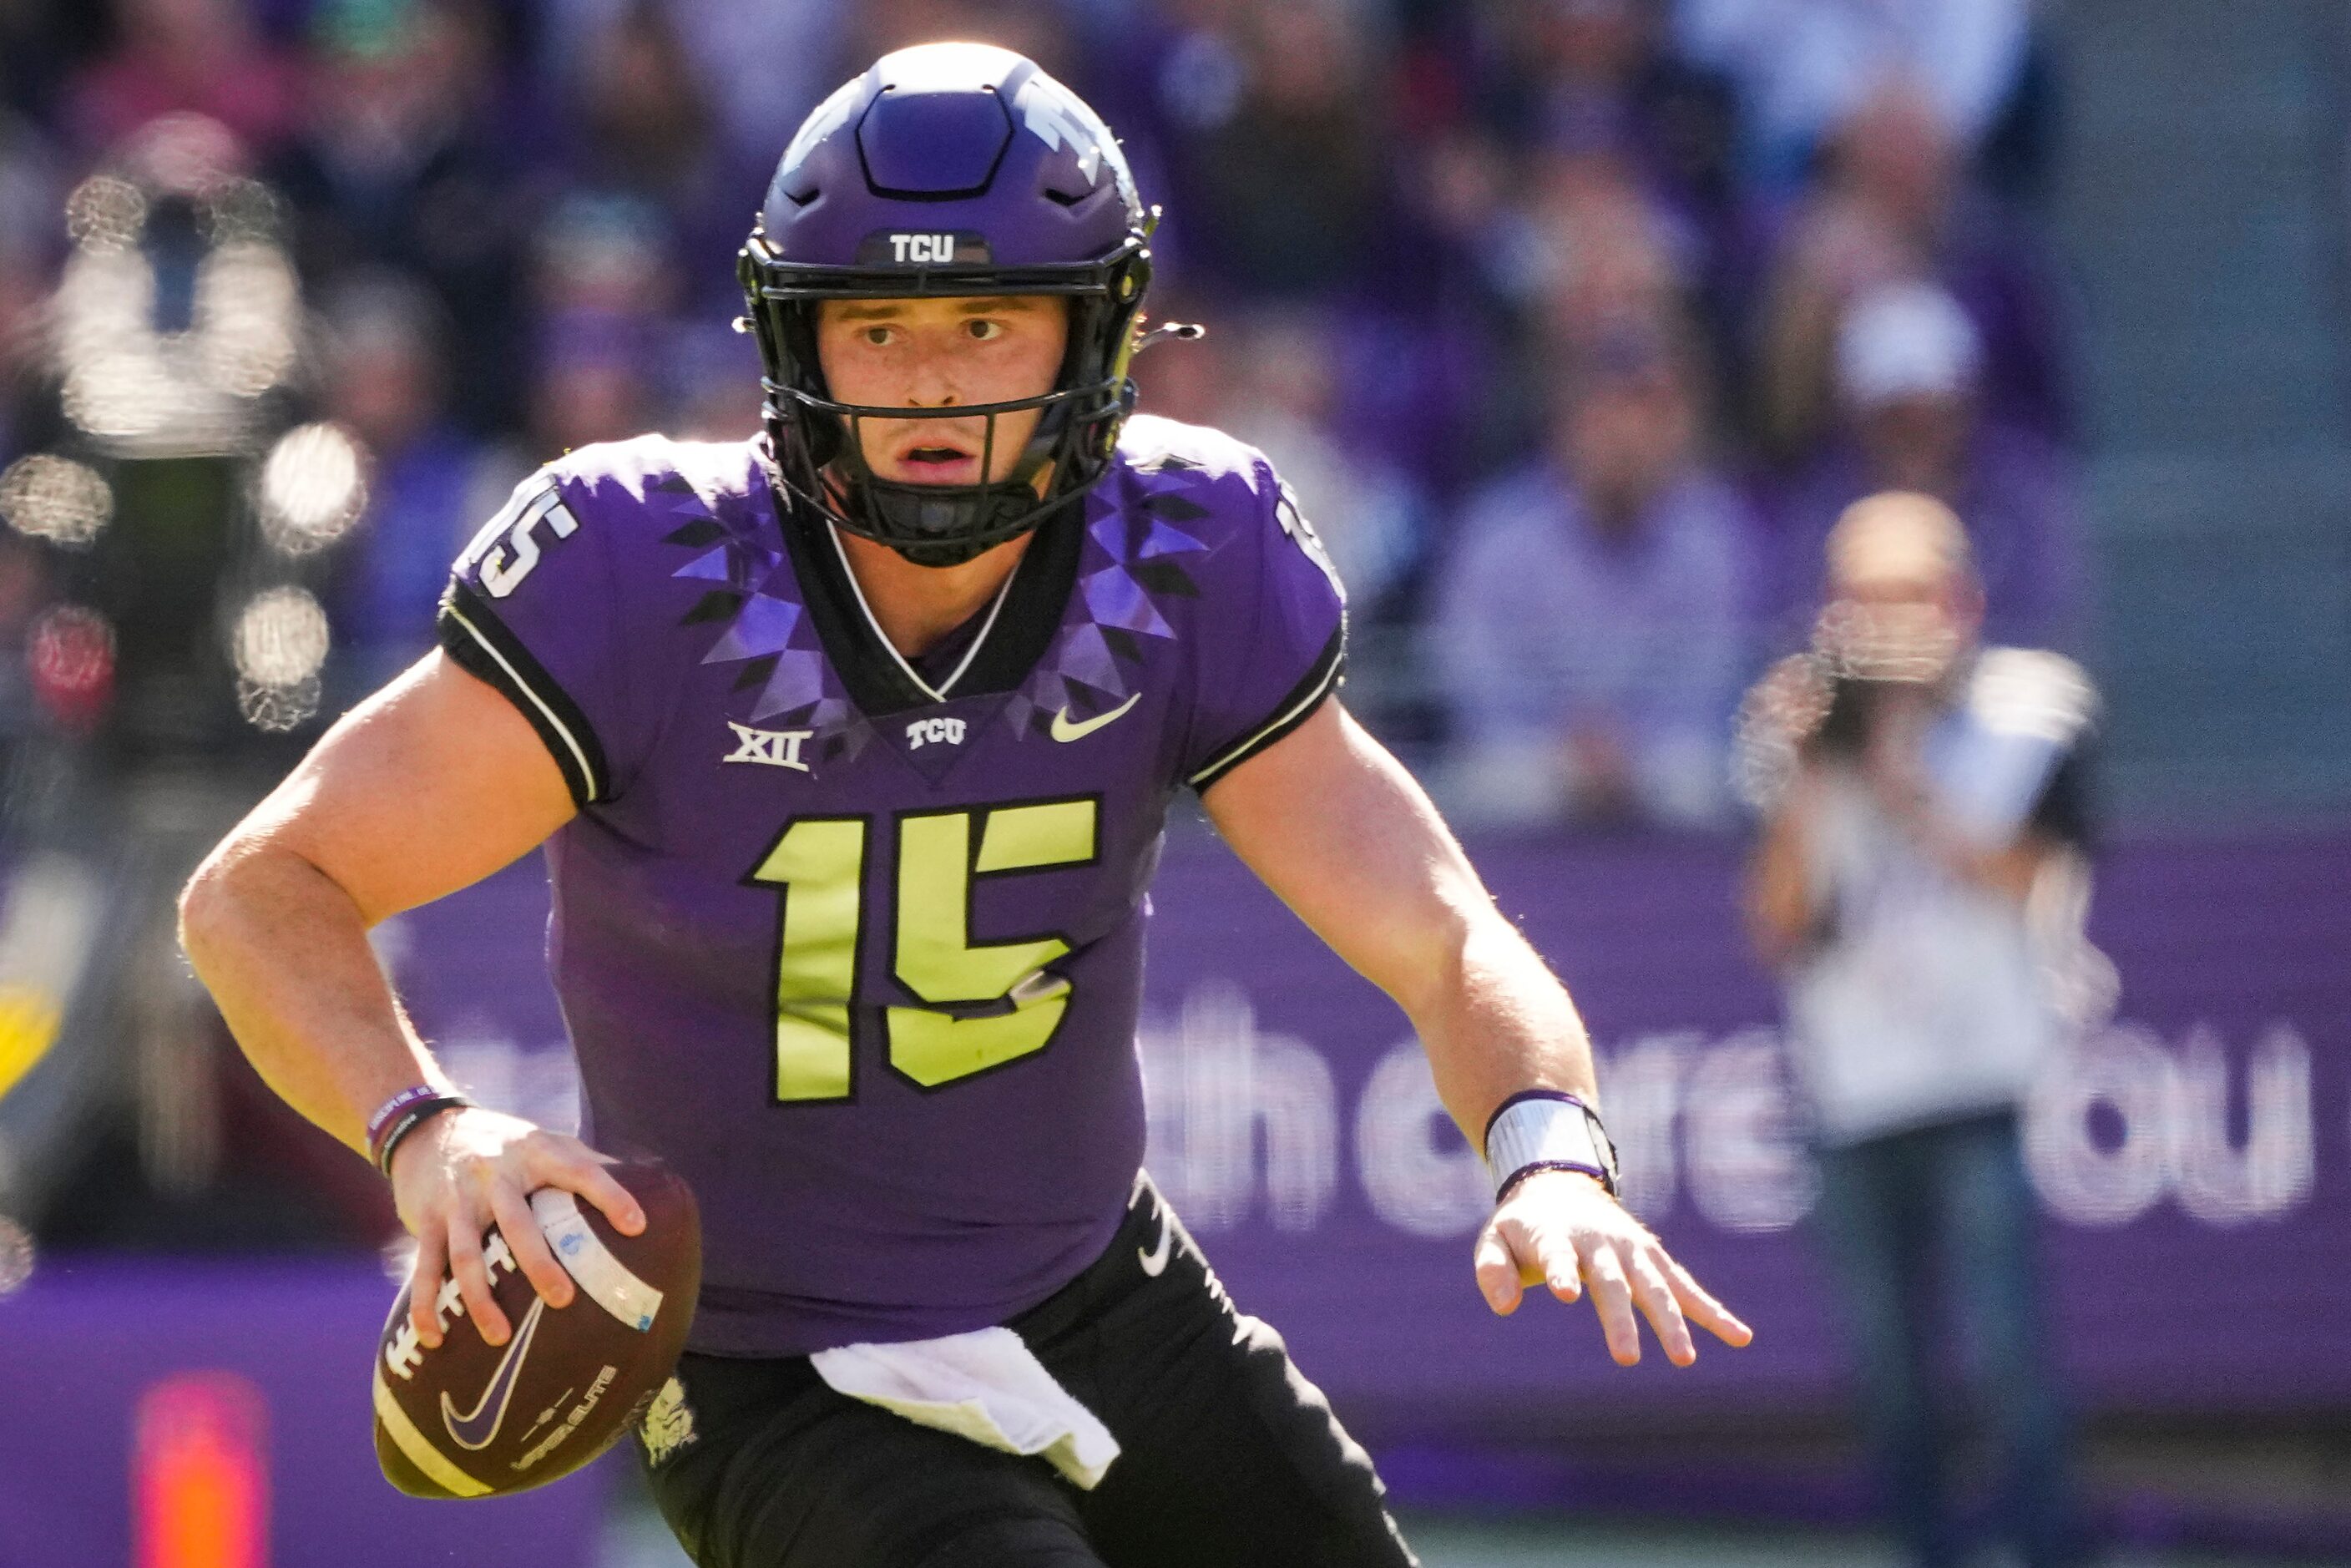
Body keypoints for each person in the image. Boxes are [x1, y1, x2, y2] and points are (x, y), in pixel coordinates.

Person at [177, 45, 1750, 1568]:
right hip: (770, 1364)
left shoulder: (1187, 547)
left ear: (1096, 338)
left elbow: (1443, 931)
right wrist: (424, 1128)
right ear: (796, 345)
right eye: (879, 324)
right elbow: (260, 886)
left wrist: (1547, 1147)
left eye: (989, 321)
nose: (932, 382)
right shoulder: (635, 567)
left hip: (1103, 1292)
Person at [1741, 492, 2091, 1568]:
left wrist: (1906, 787)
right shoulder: (1794, 720)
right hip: (1854, 1088)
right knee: (1887, 1367)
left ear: (1961, 600)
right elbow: (1780, 922)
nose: (1878, 625)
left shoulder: (2029, 709)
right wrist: (1813, 773)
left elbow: (2039, 876)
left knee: (2004, 1353)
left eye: (1902, 597)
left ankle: (2044, 1543)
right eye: (1858, 599)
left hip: (1980, 1076)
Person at [1433, 313, 1753, 827]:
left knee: (1702, 779)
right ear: (1566, 425)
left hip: (1662, 766)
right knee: (1484, 780)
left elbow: (1712, 690)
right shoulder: (1499, 534)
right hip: (1533, 763)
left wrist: (1629, 755)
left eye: (1646, 414)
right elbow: (1477, 686)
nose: (1626, 438)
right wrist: (1567, 755)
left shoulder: (1713, 536)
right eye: (1606, 414)